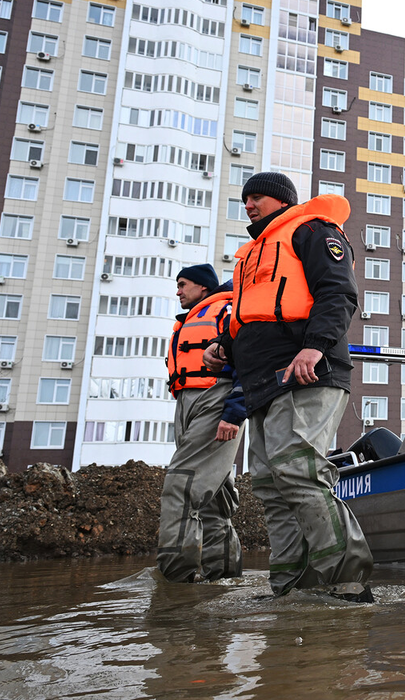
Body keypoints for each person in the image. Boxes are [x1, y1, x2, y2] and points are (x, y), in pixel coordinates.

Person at [204, 172, 373, 600]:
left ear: (281, 200)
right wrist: (224, 345)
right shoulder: (251, 256)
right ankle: (290, 587)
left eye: (257, 197)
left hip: (307, 371)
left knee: (298, 471)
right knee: (269, 483)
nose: (249, 206)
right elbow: (251, 313)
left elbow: (338, 293)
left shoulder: (312, 231)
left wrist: (315, 347)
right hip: (262, 383)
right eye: (245, 200)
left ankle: (345, 581)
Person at [157, 264, 245, 582]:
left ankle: (175, 583)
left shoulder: (225, 310)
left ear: (203, 287)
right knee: (212, 498)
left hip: (214, 399)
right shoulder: (190, 320)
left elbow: (246, 357)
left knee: (182, 486)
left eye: (183, 284)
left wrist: (233, 412)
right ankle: (223, 579)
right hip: (188, 403)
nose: (178, 291)